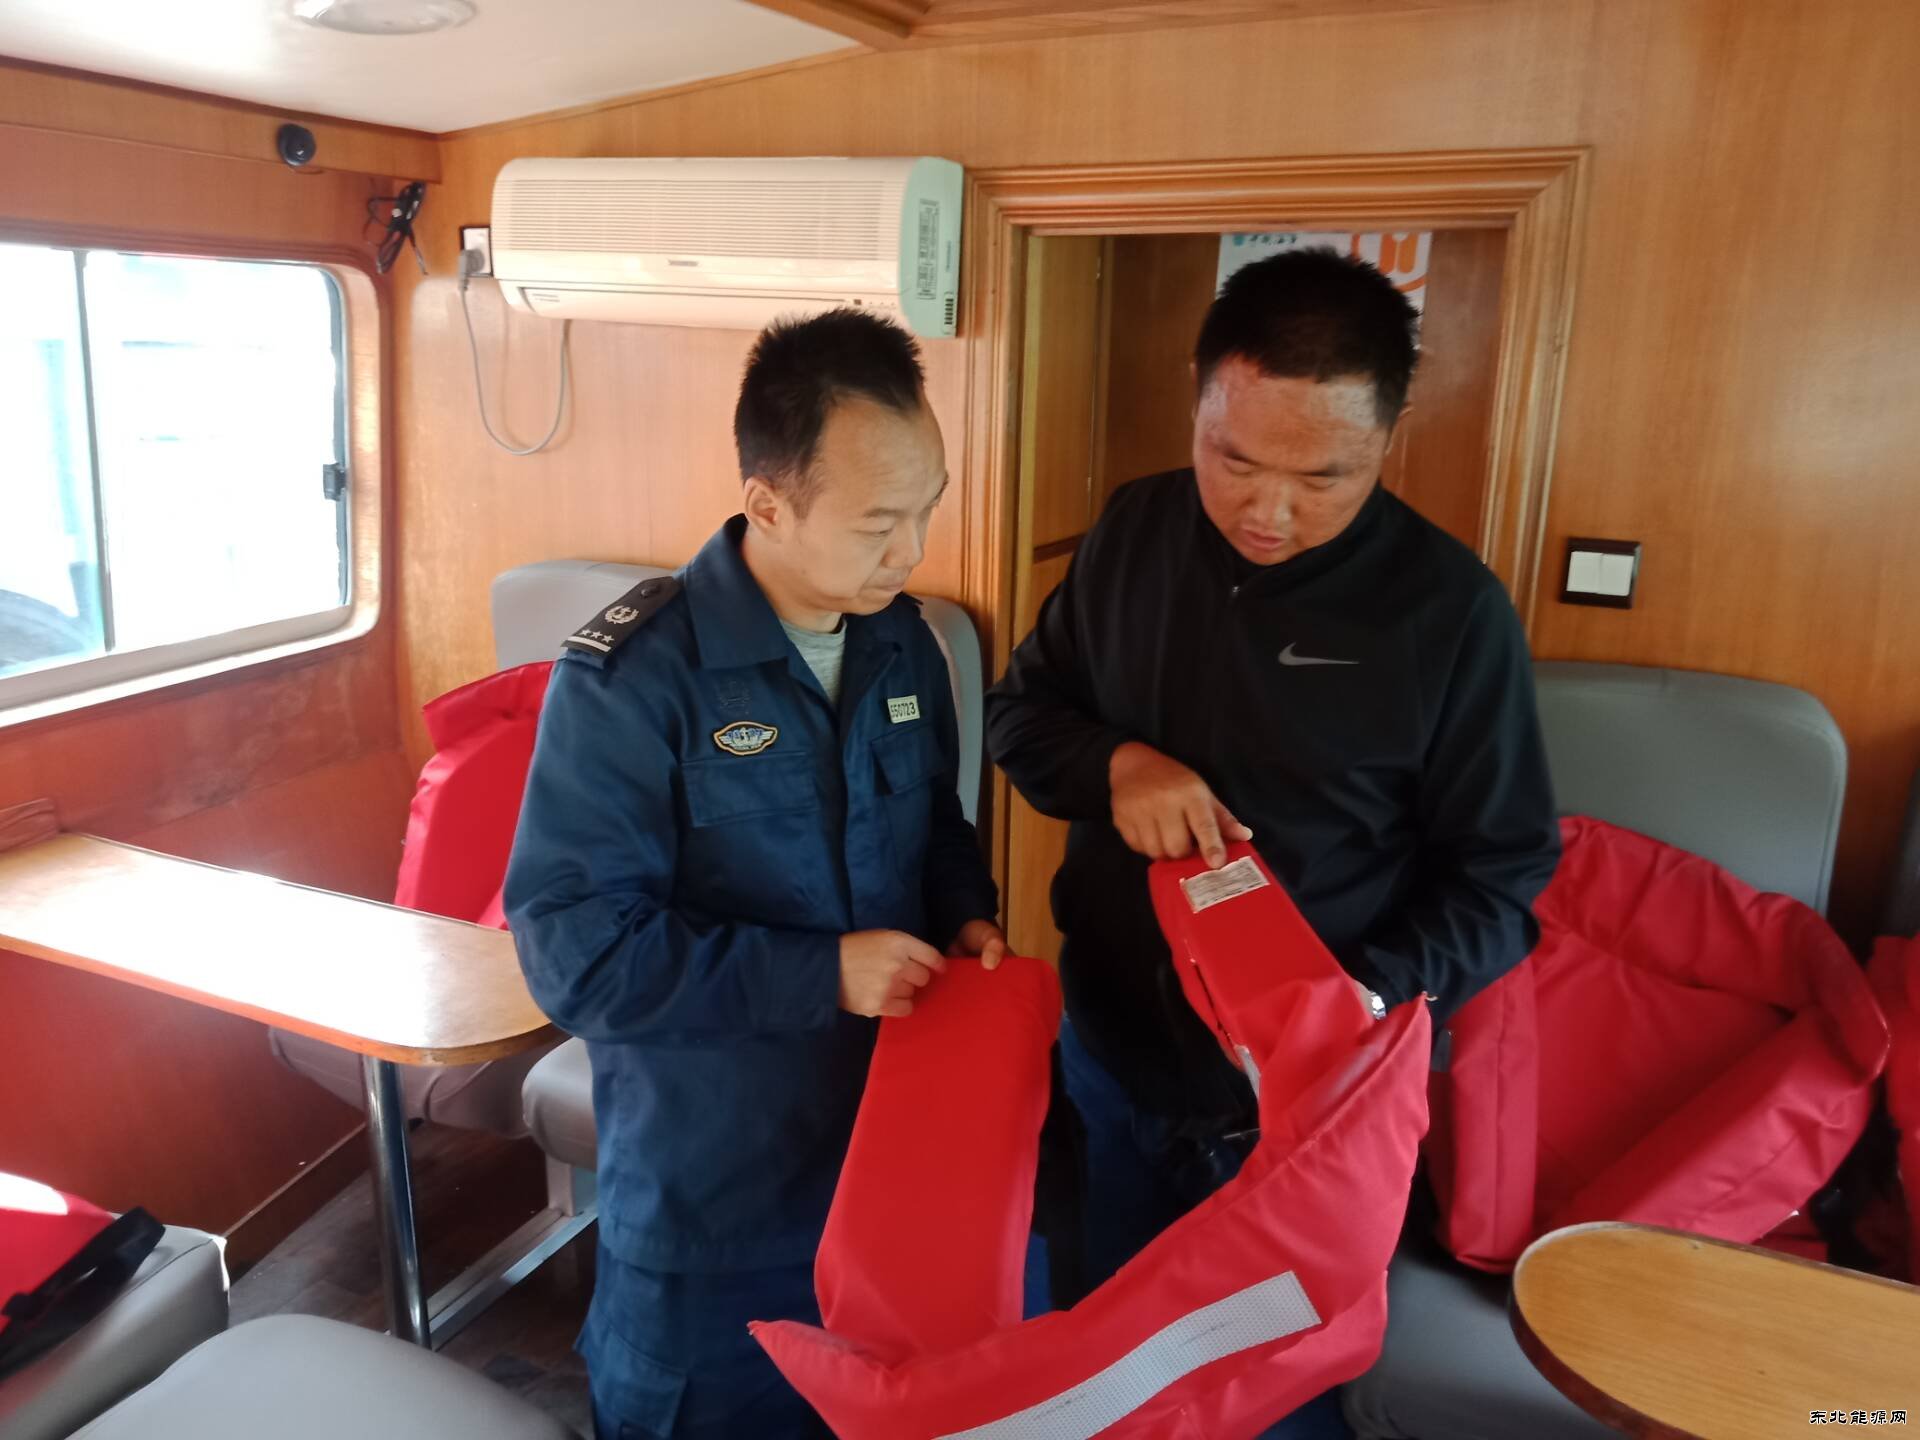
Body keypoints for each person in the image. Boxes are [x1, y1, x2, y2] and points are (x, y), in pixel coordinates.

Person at [985, 249, 1561, 1432]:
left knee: (1264, 1406)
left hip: (1300, 1117)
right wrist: (1115, 765)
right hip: (1110, 1053)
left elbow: (1501, 881)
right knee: (1100, 1374)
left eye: (1324, 477)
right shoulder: (1135, 529)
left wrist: (1353, 1000)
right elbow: (1020, 714)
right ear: (1198, 405)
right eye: (1234, 459)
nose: (1267, 511)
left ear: (1387, 441)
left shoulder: (1449, 611)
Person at [504, 308, 1005, 1440]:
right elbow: (577, 957)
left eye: (925, 509)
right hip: (713, 1199)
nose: (911, 550)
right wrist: (819, 974)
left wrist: (966, 914)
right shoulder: (633, 680)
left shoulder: (903, 643)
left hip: (887, 1163)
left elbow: (937, 825)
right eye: (878, 522)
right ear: (769, 503)